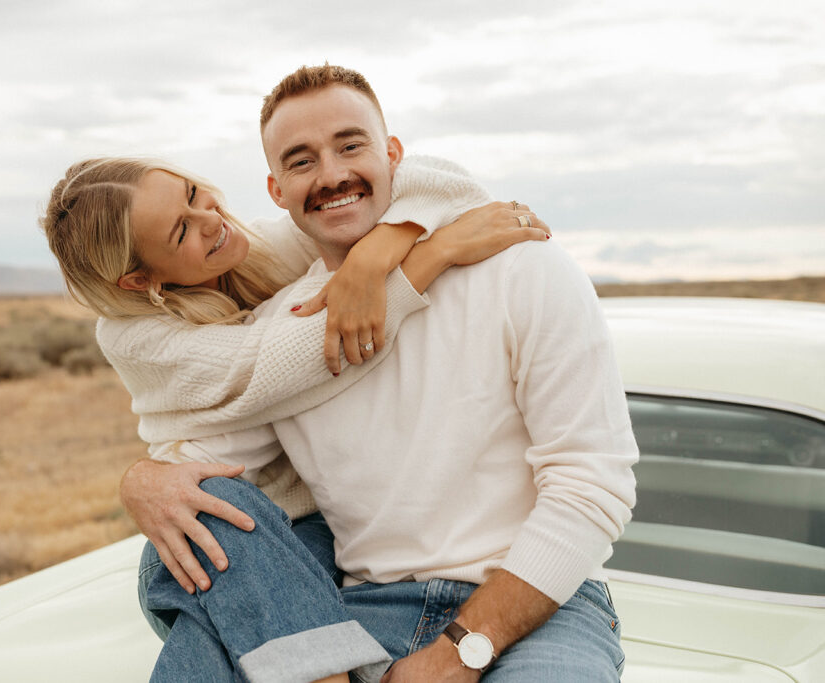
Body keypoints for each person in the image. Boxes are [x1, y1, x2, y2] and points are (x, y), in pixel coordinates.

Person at [129, 64, 639, 682]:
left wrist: (459, 651)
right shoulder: (283, 339)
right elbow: (201, 472)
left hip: (543, 604)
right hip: (367, 604)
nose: (333, 175)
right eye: (301, 161)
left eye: (351, 145)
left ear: (393, 155)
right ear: (276, 190)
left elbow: (592, 486)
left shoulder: (520, 268)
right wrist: (141, 480)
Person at [43, 151, 550, 680]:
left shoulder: (261, 249)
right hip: (208, 532)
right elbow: (296, 357)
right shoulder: (131, 335)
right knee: (230, 514)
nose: (211, 220)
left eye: (194, 195)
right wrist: (433, 252)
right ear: (138, 280)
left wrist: (378, 249)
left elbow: (434, 179)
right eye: (181, 233)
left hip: (308, 535)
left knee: (209, 659)